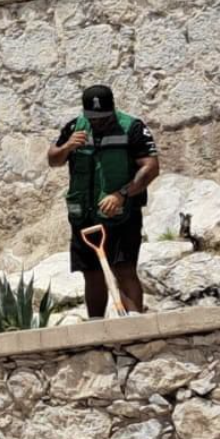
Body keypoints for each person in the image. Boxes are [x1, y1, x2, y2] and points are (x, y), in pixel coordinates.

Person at [47, 85, 160, 316]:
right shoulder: (74, 127)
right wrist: (67, 147)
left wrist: (122, 194)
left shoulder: (132, 128)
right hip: (85, 216)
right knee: (92, 273)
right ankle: (97, 324)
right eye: (93, 118)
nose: (98, 122)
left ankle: (135, 322)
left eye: (104, 117)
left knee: (124, 269)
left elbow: (151, 168)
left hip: (122, 216)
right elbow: (53, 160)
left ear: (113, 109)